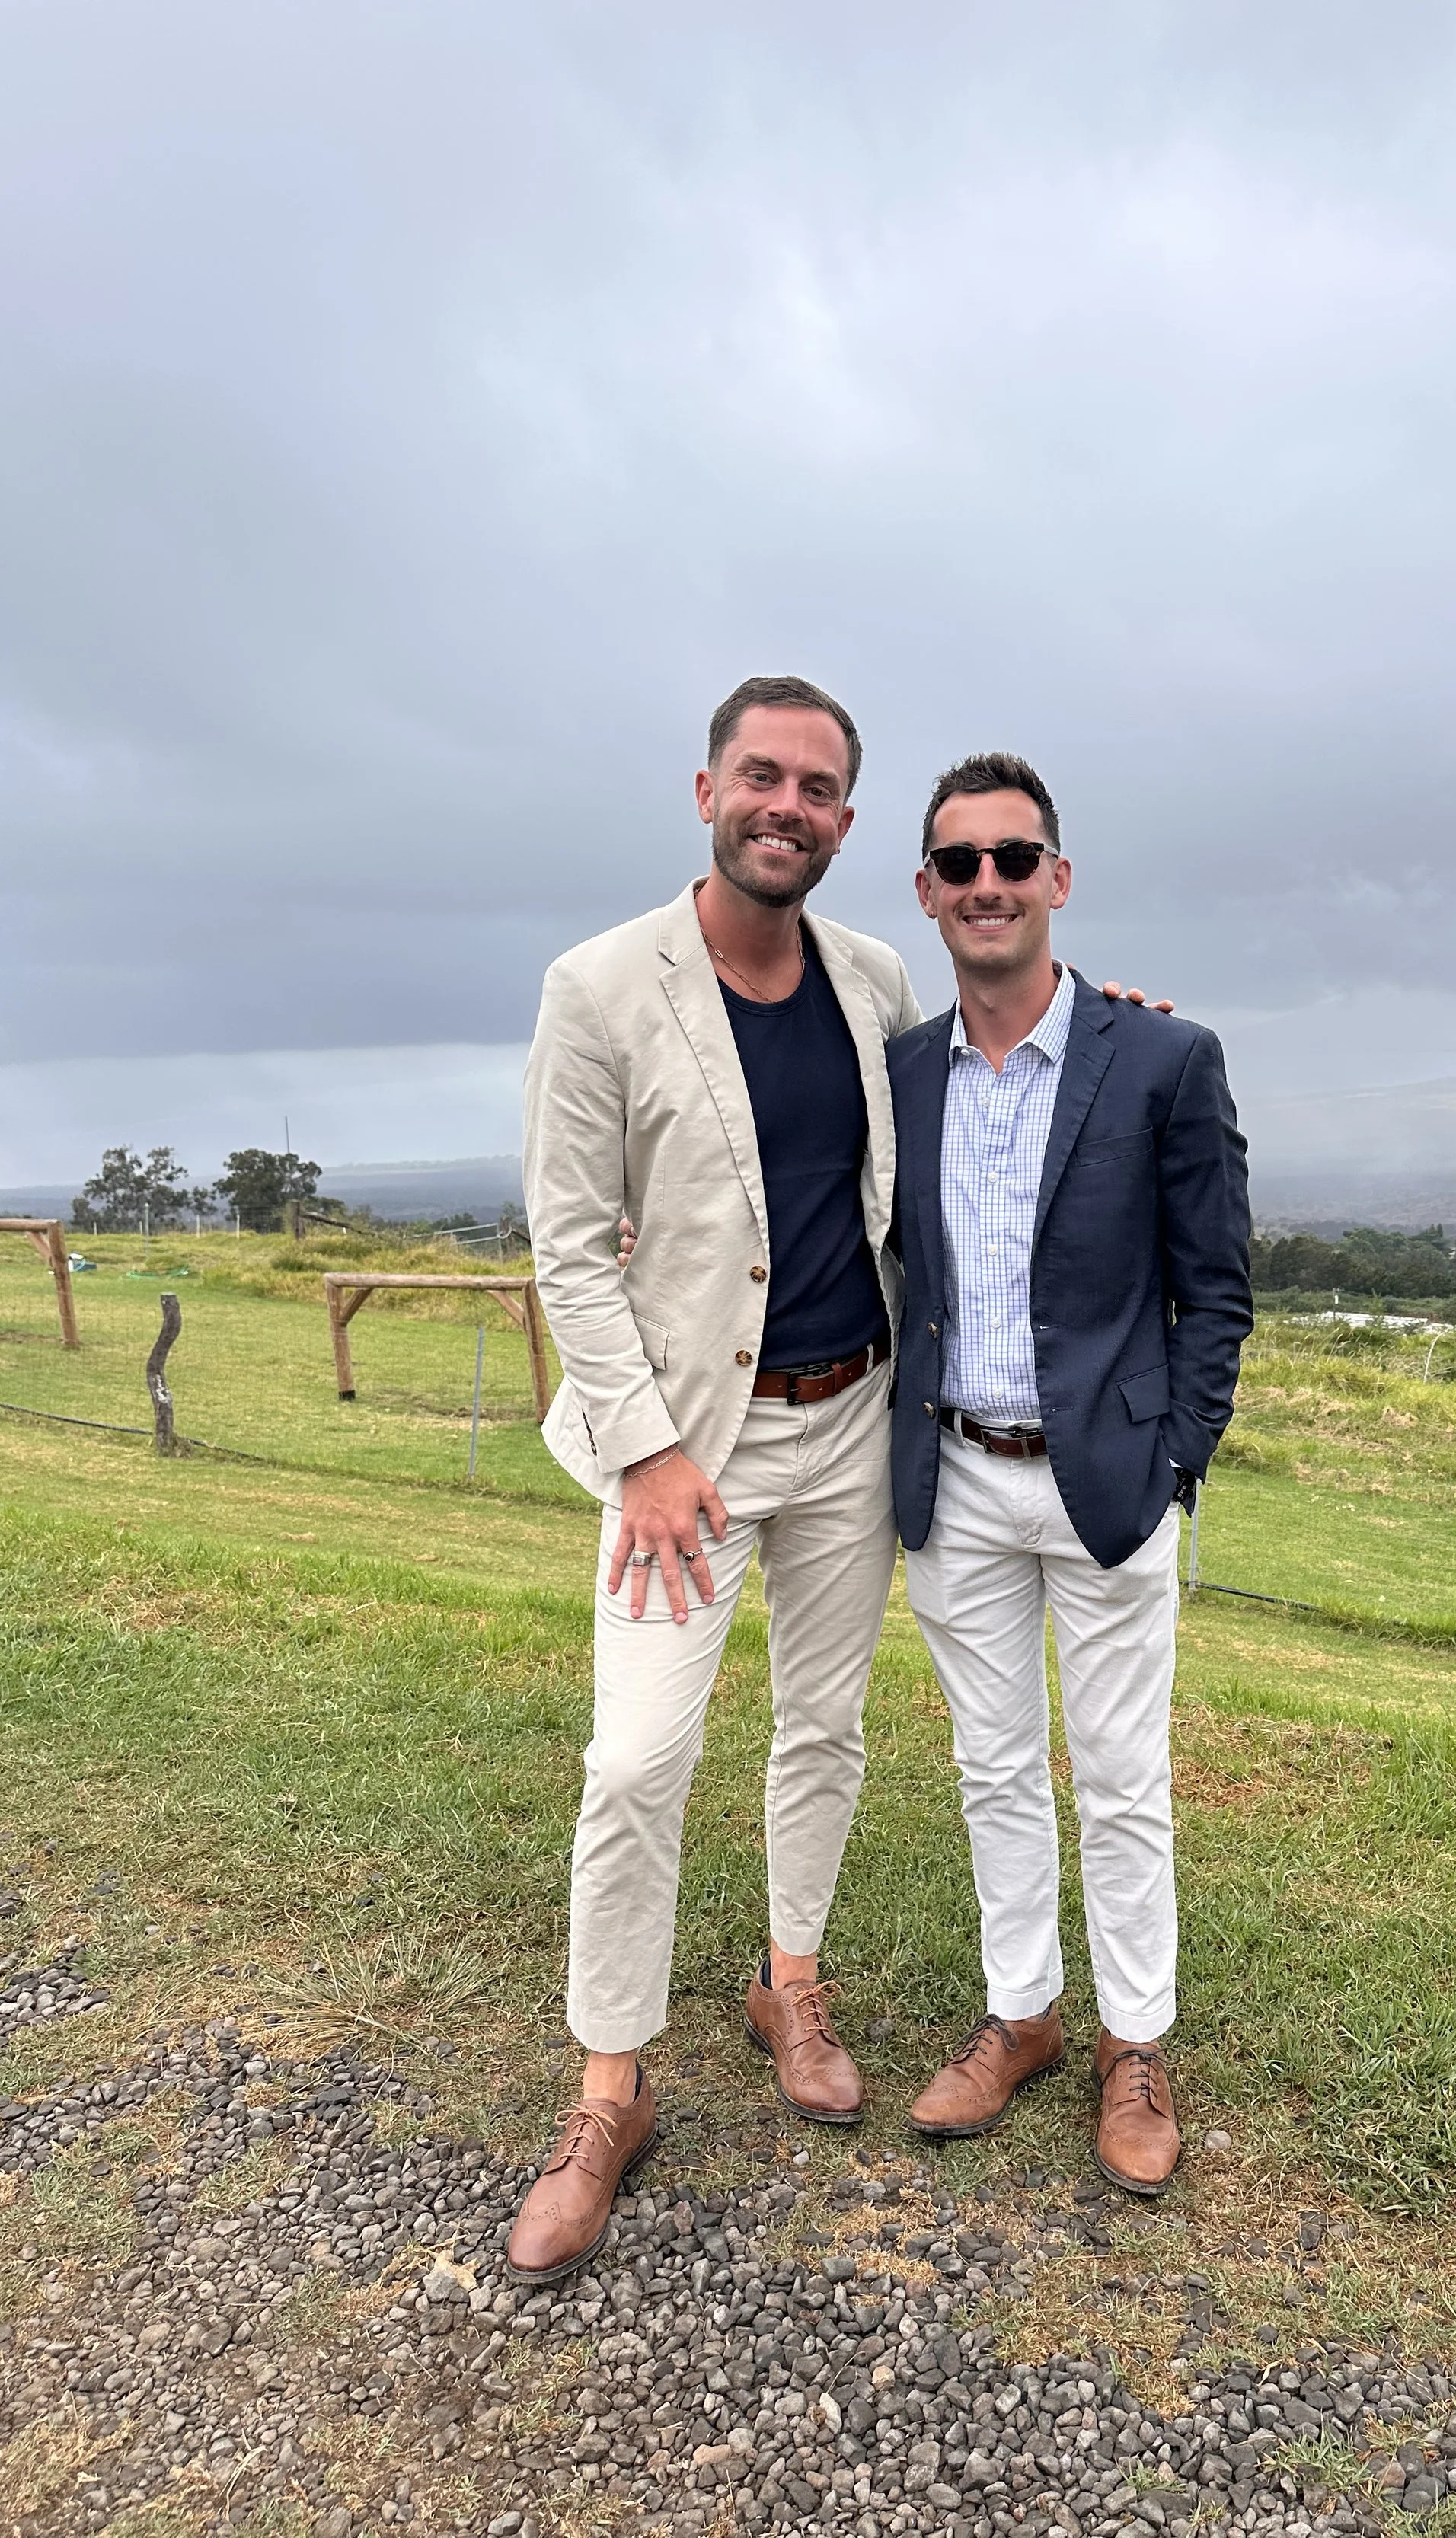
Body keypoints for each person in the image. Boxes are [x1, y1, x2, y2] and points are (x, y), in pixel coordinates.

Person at [509, 684, 1158, 2284]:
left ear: (847, 827)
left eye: (815, 786)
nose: (784, 803)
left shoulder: (872, 981)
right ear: (709, 788)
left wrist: (1110, 1020)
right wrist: (647, 1449)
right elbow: (563, 1245)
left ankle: (786, 1978)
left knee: (827, 1728)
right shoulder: (597, 988)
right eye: (760, 774)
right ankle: (610, 2090)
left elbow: (1021, 1042)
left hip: (854, 1424)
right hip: (686, 1456)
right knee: (636, 1756)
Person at [887, 752, 1254, 2195]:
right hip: (954, 1481)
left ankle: (1136, 2046)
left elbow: (1217, 1289)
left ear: (1059, 878)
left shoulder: (1162, 1056)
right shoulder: (902, 1067)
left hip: (1107, 1476)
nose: (989, 885)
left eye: (1014, 859)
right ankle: (1022, 2016)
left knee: (1120, 1776)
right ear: (926, 890)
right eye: (961, 864)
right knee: (991, 1768)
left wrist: (1177, 1456)